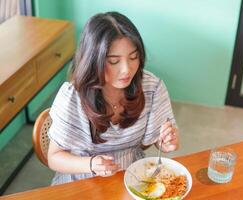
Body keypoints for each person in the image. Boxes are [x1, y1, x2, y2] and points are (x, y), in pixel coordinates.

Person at [47, 11, 179, 185]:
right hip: (80, 180)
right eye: (114, 61)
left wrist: (167, 142)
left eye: (133, 57)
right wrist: (92, 164)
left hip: (131, 178)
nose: (127, 69)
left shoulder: (151, 87)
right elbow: (54, 158)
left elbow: (159, 141)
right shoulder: (73, 96)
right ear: (93, 60)